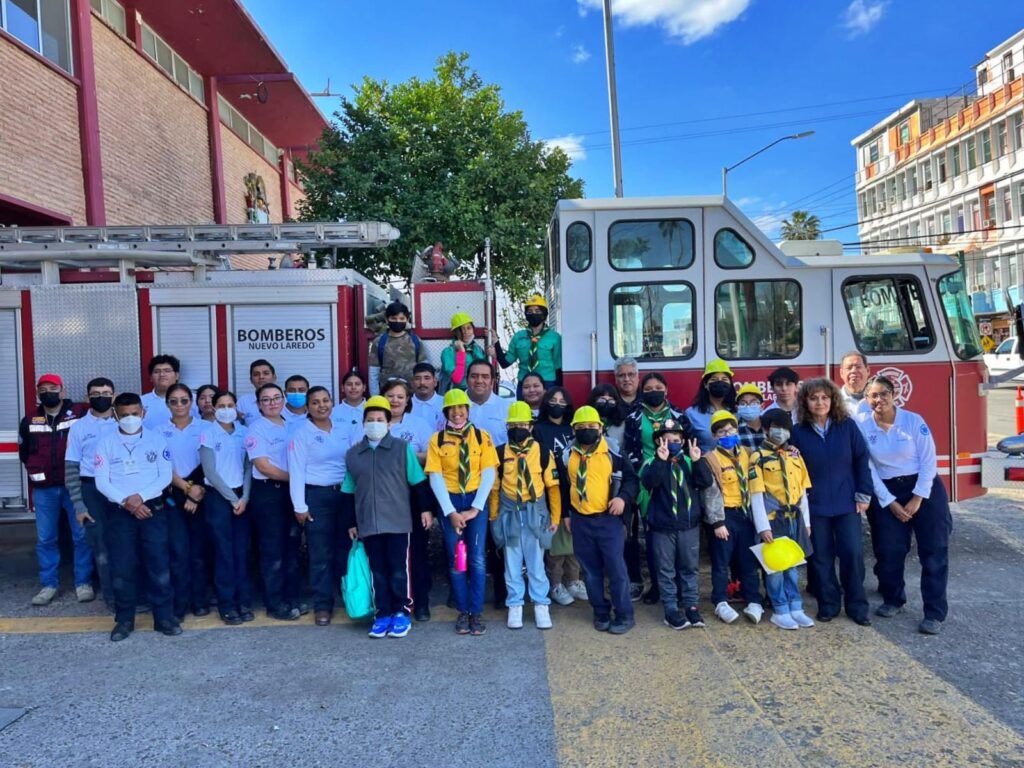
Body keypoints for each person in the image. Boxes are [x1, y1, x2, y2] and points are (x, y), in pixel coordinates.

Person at [856, 375, 951, 635]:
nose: (879, 400)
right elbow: (868, 467)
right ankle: (893, 599)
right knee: (888, 550)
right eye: (873, 395)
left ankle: (934, 613)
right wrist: (889, 502)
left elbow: (928, 462)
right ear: (866, 400)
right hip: (887, 490)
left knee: (933, 552)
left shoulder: (913, 421)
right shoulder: (861, 424)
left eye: (884, 393)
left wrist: (917, 498)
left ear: (894, 394)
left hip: (924, 488)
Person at [94, 393, 178, 641]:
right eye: (125, 414)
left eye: (135, 413)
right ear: (115, 414)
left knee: (158, 564)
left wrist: (140, 497)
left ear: (143, 413)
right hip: (120, 513)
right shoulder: (105, 443)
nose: (130, 418)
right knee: (122, 567)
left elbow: (164, 477)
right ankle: (124, 620)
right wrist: (127, 502)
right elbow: (101, 481)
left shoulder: (156, 439)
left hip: (152, 509)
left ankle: (163, 617)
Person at [789, 378, 873, 626]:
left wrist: (863, 493)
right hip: (815, 506)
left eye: (825, 397)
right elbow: (793, 469)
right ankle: (829, 605)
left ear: (833, 400)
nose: (820, 402)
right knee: (821, 558)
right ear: (805, 402)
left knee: (852, 554)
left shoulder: (846, 426)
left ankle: (857, 606)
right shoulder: (798, 432)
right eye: (814, 398)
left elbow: (861, 458)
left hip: (847, 503)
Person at [425, 388, 499, 636]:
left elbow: (488, 473)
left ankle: (476, 611)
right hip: (451, 501)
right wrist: (450, 513)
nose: (457, 413)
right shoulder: (437, 440)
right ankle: (463, 610)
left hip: (476, 499)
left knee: (477, 558)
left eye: (462, 408)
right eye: (452, 409)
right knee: (457, 560)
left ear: (468, 410)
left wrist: (475, 509)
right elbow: (435, 477)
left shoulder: (482, 436)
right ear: (446, 412)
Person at [563, 405, 638, 634]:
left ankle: (624, 614)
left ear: (601, 428)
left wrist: (623, 499)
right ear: (574, 430)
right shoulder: (567, 455)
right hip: (580, 521)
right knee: (590, 571)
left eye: (592, 426)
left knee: (616, 569)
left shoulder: (613, 452)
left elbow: (632, 480)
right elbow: (564, 487)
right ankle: (601, 612)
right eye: (581, 427)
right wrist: (567, 513)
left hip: (608, 521)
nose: (587, 430)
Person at [18, 373, 92, 606]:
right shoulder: (29, 419)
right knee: (46, 538)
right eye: (43, 388)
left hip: (74, 486)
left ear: (63, 390)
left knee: (81, 536)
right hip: (44, 490)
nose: (48, 392)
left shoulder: (79, 414)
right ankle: (49, 585)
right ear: (37, 392)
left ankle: (83, 583)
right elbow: (25, 453)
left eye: (53, 387)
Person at [488, 402, 561, 630]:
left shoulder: (542, 452)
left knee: (536, 563)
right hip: (509, 514)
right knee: (511, 564)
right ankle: (515, 605)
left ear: (530, 426)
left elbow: (553, 488)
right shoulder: (500, 452)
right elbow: (495, 489)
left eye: (522, 424)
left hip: (534, 513)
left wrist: (556, 518)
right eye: (513, 424)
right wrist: (493, 518)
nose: (518, 428)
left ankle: (541, 605)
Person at [288, 386, 353, 626]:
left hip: (345, 495)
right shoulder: (301, 433)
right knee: (320, 553)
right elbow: (295, 471)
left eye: (325, 400)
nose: (321, 405)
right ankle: (323, 605)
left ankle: (349, 599)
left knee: (345, 550)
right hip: (316, 497)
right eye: (315, 402)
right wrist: (299, 506)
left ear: (332, 402)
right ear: (308, 406)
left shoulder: (345, 429)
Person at [624, 372, 690, 605]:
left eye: (658, 387)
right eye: (649, 388)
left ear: (666, 390)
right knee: (653, 539)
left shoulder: (679, 415)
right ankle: (657, 586)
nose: (654, 391)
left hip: (676, 479)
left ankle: (681, 588)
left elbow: (690, 448)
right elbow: (629, 451)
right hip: (648, 481)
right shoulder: (633, 416)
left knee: (680, 538)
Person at [640, 420, 713, 630]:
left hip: (688, 526)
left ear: (683, 442)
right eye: (667, 440)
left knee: (690, 568)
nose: (672, 444)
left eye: (676, 440)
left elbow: (705, 482)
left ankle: (691, 606)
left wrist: (698, 461)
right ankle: (670, 608)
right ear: (658, 442)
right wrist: (661, 461)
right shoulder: (651, 463)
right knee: (666, 569)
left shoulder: (690, 461)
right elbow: (649, 483)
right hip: (663, 527)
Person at [749, 409, 815, 631]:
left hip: (794, 519)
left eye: (785, 428)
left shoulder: (795, 456)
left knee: (793, 565)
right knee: (776, 567)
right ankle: (780, 609)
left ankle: (796, 606)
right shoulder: (757, 457)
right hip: (772, 520)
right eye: (775, 427)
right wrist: (763, 527)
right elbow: (756, 496)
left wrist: (806, 523)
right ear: (766, 430)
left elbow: (802, 493)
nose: (780, 432)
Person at [245, 382, 303, 621]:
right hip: (269, 493)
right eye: (266, 399)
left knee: (291, 546)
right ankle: (274, 603)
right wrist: (299, 478)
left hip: (290, 493)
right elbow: (263, 466)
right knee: (272, 551)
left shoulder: (292, 425)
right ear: (259, 405)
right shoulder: (256, 429)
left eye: (276, 397)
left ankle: (291, 597)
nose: (272, 403)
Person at [702, 410, 765, 625]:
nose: (727, 434)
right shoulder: (711, 458)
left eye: (730, 430)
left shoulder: (748, 453)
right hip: (724, 516)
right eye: (721, 432)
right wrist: (717, 522)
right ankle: (720, 601)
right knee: (721, 562)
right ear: (714, 436)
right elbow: (710, 493)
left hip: (746, 515)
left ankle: (754, 600)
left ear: (737, 430)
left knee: (748, 560)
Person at [382, 377, 437, 620]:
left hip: (413, 495)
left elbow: (432, 455)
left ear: (407, 401)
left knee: (417, 553)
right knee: (389, 554)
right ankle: (395, 605)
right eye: (390, 396)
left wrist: (405, 456)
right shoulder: (372, 423)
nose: (394, 400)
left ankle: (421, 603)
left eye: (400, 397)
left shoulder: (420, 424)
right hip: (382, 498)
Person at [199, 390, 253, 625]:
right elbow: (210, 471)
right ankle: (227, 604)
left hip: (242, 497)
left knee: (242, 551)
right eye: (221, 405)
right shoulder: (207, 433)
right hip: (219, 498)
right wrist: (233, 500)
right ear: (213, 407)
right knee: (223, 552)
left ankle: (243, 600)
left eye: (230, 404)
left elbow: (249, 467)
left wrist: (245, 497)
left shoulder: (245, 432)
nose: (226, 409)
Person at [64, 377, 117, 609]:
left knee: (126, 542)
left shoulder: (122, 422)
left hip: (120, 489)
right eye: (95, 393)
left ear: (113, 396)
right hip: (91, 490)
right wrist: (79, 505)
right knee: (101, 546)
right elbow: (71, 469)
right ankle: (112, 599)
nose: (101, 397)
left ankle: (133, 594)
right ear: (87, 398)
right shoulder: (78, 428)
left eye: (106, 393)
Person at [158, 383, 210, 620]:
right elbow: (161, 466)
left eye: (184, 400)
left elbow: (211, 463)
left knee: (199, 552)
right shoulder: (158, 432)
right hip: (172, 494)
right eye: (174, 401)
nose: (179, 405)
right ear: (167, 404)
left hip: (203, 493)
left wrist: (196, 492)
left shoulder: (206, 428)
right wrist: (187, 489)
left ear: (192, 402)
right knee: (178, 552)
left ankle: (200, 600)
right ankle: (180, 603)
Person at [534, 387, 586, 606]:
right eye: (553, 400)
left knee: (573, 537)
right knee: (555, 540)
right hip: (550, 490)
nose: (557, 404)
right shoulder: (538, 429)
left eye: (562, 401)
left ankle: (573, 580)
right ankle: (555, 583)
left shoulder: (572, 428)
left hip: (574, 486)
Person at [465, 359, 511, 608]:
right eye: (474, 376)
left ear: (493, 379)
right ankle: (464, 592)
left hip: (498, 482)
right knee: (465, 542)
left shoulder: (506, 406)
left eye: (485, 376)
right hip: (463, 483)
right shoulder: (458, 406)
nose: (479, 381)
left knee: (497, 539)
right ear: (467, 378)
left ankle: (502, 593)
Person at [490, 294, 562, 391]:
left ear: (544, 314)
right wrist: (496, 341)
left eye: (537, 311)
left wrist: (558, 390)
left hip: (548, 384)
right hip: (525, 384)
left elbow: (558, 367)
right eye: (530, 312)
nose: (533, 314)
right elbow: (505, 362)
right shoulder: (518, 337)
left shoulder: (555, 337)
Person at [368, 301, 427, 395]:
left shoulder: (416, 341)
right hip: (387, 395)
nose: (398, 321)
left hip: (412, 395)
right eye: (393, 318)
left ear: (407, 319)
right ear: (387, 320)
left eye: (401, 318)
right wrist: (375, 397)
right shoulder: (378, 342)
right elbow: (373, 372)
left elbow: (425, 368)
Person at [685, 359, 737, 454]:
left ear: (730, 384)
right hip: (707, 465)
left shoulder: (737, 411)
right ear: (705, 384)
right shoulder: (691, 413)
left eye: (724, 379)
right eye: (714, 379)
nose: (720, 382)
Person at [142, 355, 197, 428]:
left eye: (167, 371)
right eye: (157, 372)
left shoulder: (194, 399)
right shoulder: (141, 401)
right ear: (151, 377)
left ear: (177, 375)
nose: (162, 375)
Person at [440, 312, 489, 393]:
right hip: (456, 395)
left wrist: (493, 355)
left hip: (477, 393)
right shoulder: (448, 352)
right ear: (455, 332)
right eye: (461, 329)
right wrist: (461, 352)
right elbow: (457, 379)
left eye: (469, 328)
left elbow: (486, 372)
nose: (465, 332)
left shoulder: (477, 349)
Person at [589, 384, 628, 452]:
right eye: (602, 400)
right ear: (594, 401)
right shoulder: (586, 423)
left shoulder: (623, 424)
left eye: (611, 400)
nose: (606, 403)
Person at [238, 360, 277, 424]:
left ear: (274, 377)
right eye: (256, 374)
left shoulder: (284, 399)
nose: (261, 377)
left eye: (266, 373)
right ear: (251, 380)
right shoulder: (243, 401)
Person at [410, 362, 446, 431]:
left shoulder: (445, 403)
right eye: (417, 378)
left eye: (427, 378)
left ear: (435, 382)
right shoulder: (405, 405)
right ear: (412, 383)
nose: (422, 382)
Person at [735, 383, 766, 449]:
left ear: (762, 406)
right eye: (743, 403)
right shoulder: (733, 430)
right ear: (737, 408)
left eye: (753, 403)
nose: (748, 406)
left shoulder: (770, 426)